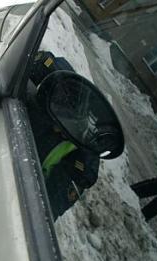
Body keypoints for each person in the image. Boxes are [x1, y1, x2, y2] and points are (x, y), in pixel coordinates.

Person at [27, 51, 101, 219]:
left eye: (64, 127)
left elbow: (44, 214)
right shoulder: (51, 84)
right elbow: (33, 62)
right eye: (55, 120)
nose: (57, 129)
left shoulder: (81, 161)